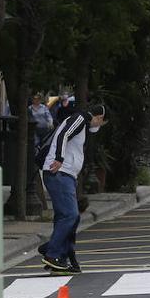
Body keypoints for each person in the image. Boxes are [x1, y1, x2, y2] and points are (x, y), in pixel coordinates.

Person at [40, 103, 106, 274]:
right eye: (102, 123)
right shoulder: (81, 118)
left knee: (67, 218)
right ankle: (52, 254)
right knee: (70, 215)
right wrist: (59, 158)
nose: (99, 126)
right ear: (99, 118)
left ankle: (61, 257)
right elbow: (64, 134)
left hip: (65, 175)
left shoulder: (81, 123)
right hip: (59, 172)